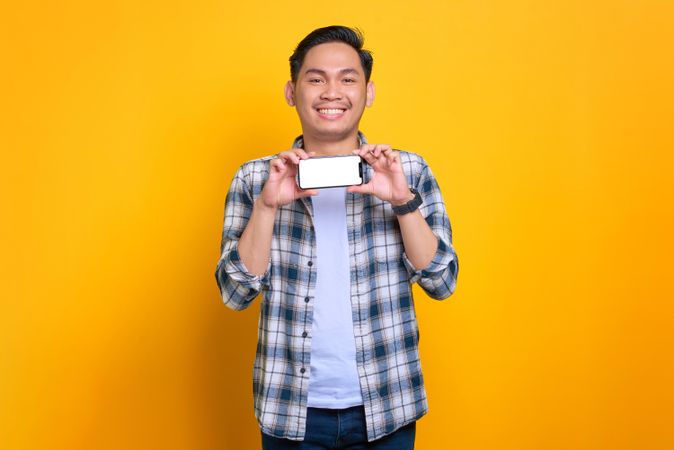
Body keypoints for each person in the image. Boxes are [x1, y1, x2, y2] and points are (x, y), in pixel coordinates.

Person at [215, 25, 458, 449]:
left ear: (368, 92)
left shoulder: (408, 171)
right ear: (292, 92)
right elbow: (235, 295)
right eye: (315, 79)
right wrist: (268, 207)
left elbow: (442, 282)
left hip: (388, 404)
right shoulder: (255, 179)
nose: (332, 92)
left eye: (348, 79)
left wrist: (402, 202)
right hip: (289, 409)